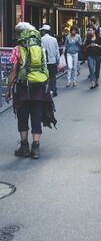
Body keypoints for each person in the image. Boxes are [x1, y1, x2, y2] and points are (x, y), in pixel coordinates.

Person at [5, 22, 55, 160]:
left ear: (19, 34)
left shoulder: (17, 49)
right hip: (39, 87)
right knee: (36, 117)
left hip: (23, 88)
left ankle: (24, 147)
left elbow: (14, 71)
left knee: (22, 117)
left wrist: (8, 89)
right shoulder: (40, 46)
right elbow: (45, 66)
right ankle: (36, 148)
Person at [40, 24, 60, 97]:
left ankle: (45, 91)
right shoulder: (54, 39)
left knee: (44, 77)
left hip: (44, 62)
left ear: (44, 31)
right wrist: (58, 61)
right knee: (52, 77)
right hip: (53, 61)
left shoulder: (41, 39)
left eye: (42, 31)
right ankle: (53, 90)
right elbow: (57, 51)